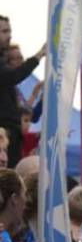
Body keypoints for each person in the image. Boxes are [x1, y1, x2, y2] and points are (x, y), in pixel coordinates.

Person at [0, 19, 41, 169]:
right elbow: (14, 75)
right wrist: (38, 57)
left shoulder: (13, 88)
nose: (9, 36)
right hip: (6, 132)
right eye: (4, 31)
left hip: (12, 136)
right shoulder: (7, 74)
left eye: (9, 31)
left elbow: (27, 114)